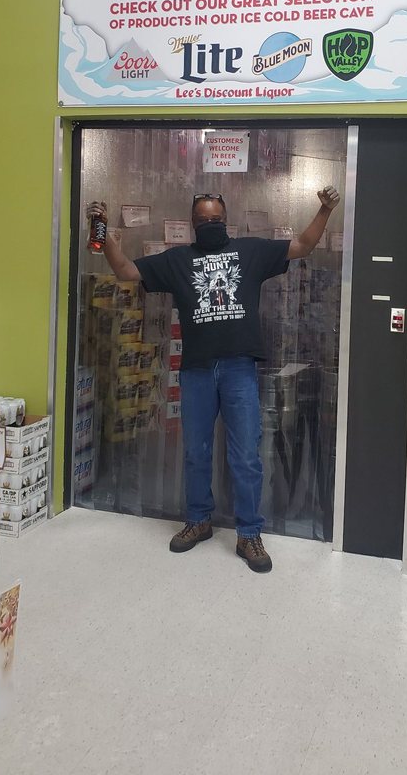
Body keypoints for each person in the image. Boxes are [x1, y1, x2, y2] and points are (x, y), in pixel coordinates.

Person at [86, 185, 341, 573]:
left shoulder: (251, 252)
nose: (210, 224)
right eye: (203, 220)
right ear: (193, 224)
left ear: (227, 221)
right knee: (196, 452)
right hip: (197, 371)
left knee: (246, 455)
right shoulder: (177, 260)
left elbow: (303, 246)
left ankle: (249, 533)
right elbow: (125, 271)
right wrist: (104, 234)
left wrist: (324, 211)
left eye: (216, 219)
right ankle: (199, 520)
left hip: (239, 369)